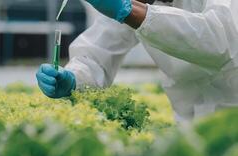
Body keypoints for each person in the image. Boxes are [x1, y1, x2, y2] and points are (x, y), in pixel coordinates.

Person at [36, 0, 238, 122]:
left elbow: (220, 40)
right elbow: (96, 54)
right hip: (189, 122)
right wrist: (73, 78)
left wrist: (131, 13)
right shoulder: (136, 3)